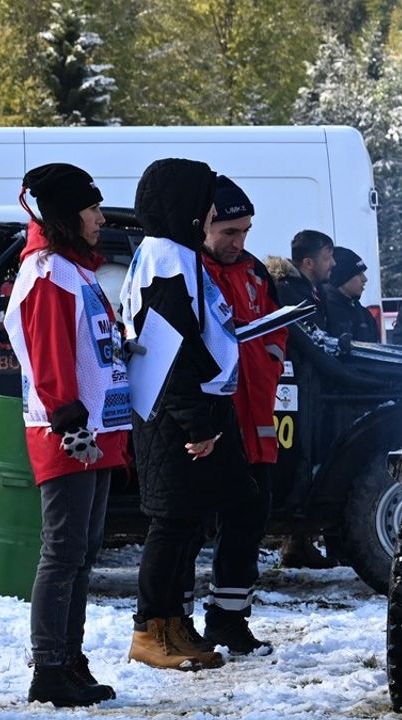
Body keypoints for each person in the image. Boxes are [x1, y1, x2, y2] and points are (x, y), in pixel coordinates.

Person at [120, 158, 254, 670]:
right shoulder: (166, 261)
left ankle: (173, 624)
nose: (207, 212)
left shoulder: (175, 254)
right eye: (202, 201)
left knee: (188, 523)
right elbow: (168, 349)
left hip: (185, 408)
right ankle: (150, 630)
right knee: (170, 525)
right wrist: (197, 423)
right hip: (172, 414)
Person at [3, 163, 128, 707]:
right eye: (92, 209)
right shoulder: (50, 271)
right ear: (64, 215)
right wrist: (70, 418)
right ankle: (49, 667)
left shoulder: (76, 269)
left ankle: (70, 658)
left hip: (95, 428)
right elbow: (51, 353)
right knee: (63, 551)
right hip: (71, 431)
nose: (101, 218)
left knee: (82, 550)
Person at [191, 176, 285, 655]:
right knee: (185, 529)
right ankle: (171, 626)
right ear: (204, 224)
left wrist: (269, 352)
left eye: (245, 231)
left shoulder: (252, 272)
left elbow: (276, 326)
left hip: (255, 423)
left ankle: (229, 621)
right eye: (229, 232)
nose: (239, 242)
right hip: (207, 424)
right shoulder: (188, 268)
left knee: (248, 523)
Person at [270, 230, 340, 570]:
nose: (334, 264)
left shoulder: (308, 290)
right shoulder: (290, 292)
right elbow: (311, 343)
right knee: (296, 456)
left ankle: (298, 542)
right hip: (292, 389)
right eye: (328, 257)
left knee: (304, 458)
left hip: (304, 388)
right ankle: (293, 535)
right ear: (309, 262)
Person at [324, 246, 380, 342]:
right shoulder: (323, 313)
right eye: (358, 274)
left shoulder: (365, 315)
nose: (365, 279)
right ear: (341, 278)